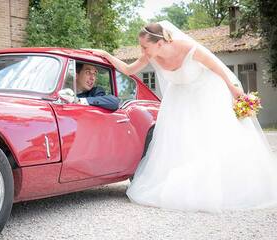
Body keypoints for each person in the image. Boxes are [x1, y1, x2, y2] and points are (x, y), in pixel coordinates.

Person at [89, 21, 277, 212]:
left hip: (206, 92)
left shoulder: (189, 49)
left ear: (160, 43)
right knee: (180, 140)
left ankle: (222, 186)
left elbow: (218, 70)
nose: (142, 50)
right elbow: (129, 70)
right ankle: (187, 184)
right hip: (179, 97)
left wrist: (235, 91)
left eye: (145, 46)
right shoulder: (151, 55)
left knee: (212, 138)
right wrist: (105, 54)